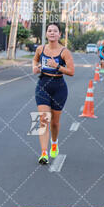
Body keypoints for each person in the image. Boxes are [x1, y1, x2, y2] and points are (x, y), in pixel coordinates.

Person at [32, 23, 75, 164]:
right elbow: (35, 60)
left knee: (55, 123)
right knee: (43, 119)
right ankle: (44, 153)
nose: (52, 33)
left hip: (59, 87)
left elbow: (71, 72)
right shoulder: (40, 49)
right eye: (49, 31)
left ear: (59, 35)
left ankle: (54, 142)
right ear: (46, 34)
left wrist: (57, 66)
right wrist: (35, 67)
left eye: (55, 31)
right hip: (43, 85)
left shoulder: (64, 52)